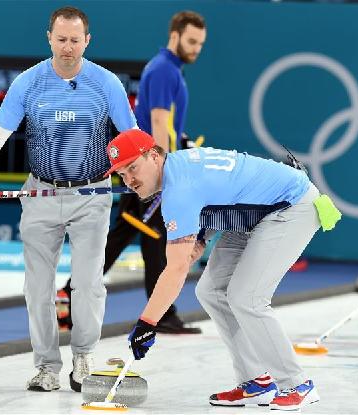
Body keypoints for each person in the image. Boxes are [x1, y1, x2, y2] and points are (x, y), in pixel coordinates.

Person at [0, 6, 136, 392]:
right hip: (39, 193)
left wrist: (147, 179)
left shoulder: (107, 85)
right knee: (38, 287)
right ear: (49, 38)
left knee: (88, 284)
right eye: (61, 39)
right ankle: (46, 367)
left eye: (75, 40)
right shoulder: (28, 82)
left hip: (92, 194)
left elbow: (131, 141)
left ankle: (84, 357)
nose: (68, 48)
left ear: (87, 41)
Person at [106, 129, 342, 411]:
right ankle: (256, 382)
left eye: (133, 167)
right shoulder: (179, 168)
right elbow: (224, 189)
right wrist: (202, 236)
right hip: (256, 212)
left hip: (291, 206)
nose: (130, 180)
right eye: (122, 173)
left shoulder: (178, 190)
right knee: (211, 291)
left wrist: (147, 323)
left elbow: (177, 268)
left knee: (247, 297)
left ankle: (297, 384)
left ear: (154, 156)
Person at [102, 10, 207, 334]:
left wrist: (180, 145)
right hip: (150, 171)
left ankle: (70, 292)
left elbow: (170, 126)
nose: (196, 49)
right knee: (152, 236)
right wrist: (165, 173)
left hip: (149, 167)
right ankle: (71, 293)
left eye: (200, 44)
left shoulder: (170, 69)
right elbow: (159, 122)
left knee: (135, 236)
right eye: (191, 41)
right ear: (174, 36)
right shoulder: (164, 70)